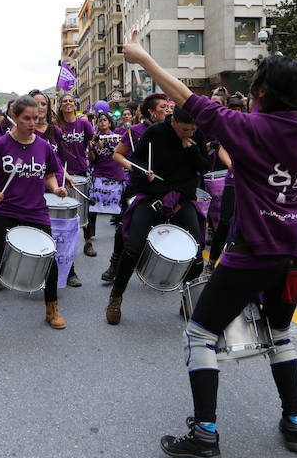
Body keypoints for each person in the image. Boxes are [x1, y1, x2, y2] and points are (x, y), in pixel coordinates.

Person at [124, 28, 297, 458]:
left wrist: (142, 57)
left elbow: (185, 95)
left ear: (258, 92)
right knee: (278, 334)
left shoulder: (247, 127)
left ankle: (205, 433)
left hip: (254, 252)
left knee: (200, 332)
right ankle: (295, 420)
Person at [0, 95, 68, 340]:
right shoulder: (1, 145)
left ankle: (51, 308)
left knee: (50, 261)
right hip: (6, 210)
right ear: (15, 117)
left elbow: (50, 174)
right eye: (27, 118)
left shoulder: (43, 146)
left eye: (36, 118)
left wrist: (55, 188)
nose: (33, 122)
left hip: (36, 211)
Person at [104, 106, 209, 324]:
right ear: (173, 122)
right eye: (184, 130)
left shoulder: (196, 134)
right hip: (152, 196)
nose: (188, 133)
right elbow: (137, 160)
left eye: (192, 129)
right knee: (132, 248)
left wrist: (192, 150)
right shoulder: (154, 133)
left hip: (182, 199)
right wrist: (144, 171)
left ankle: (187, 300)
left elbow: (205, 168)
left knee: (197, 254)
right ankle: (116, 296)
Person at [101, 93, 171, 282]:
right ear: (151, 112)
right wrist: (134, 167)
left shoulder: (173, 130)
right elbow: (117, 155)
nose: (167, 110)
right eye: (163, 107)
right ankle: (115, 264)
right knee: (125, 225)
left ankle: (158, 266)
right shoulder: (134, 131)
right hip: (137, 186)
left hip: (164, 188)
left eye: (168, 106)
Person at [56, 91, 95, 275]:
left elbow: (89, 141)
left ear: (75, 104)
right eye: (65, 101)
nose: (68, 103)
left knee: (85, 208)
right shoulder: (57, 125)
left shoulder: (83, 123)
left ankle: (88, 242)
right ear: (60, 105)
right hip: (62, 172)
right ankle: (63, 245)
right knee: (65, 212)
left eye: (71, 100)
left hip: (80, 169)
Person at [86, 112, 126, 257]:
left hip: (115, 174)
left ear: (109, 123)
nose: (102, 122)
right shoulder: (94, 138)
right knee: (92, 206)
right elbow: (93, 159)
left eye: (105, 120)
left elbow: (118, 153)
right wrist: (91, 147)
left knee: (120, 206)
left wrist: (106, 144)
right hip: (99, 174)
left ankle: (120, 232)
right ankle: (89, 236)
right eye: (99, 120)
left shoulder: (116, 137)